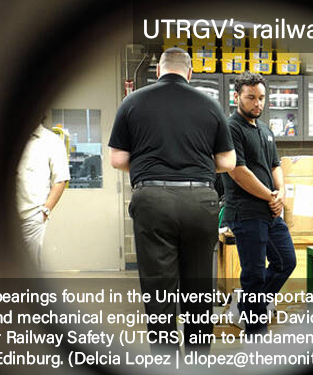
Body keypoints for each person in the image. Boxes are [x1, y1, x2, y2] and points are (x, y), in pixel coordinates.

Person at [109, 47, 235, 356]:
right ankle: (197, 361)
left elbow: (117, 158)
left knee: (158, 287)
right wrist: (198, 167)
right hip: (200, 200)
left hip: (152, 200)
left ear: (159, 71)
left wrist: (149, 166)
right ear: (189, 73)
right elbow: (229, 161)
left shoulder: (132, 102)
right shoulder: (210, 105)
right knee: (198, 286)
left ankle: (166, 364)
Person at [222, 72, 296, 335]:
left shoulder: (265, 129)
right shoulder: (231, 128)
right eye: (251, 97)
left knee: (286, 261)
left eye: (262, 98)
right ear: (237, 97)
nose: (257, 103)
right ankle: (256, 334)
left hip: (271, 212)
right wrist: (271, 196)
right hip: (246, 212)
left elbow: (276, 164)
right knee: (253, 275)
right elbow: (238, 171)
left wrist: (281, 192)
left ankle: (248, 307)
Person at [16, 121, 70, 266]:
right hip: (2, 217)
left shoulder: (51, 141)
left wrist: (45, 211)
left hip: (32, 215)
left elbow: (61, 179)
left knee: (29, 266)